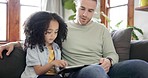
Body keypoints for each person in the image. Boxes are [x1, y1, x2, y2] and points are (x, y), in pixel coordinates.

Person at [0, 0, 148, 78]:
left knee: (140, 66)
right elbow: (42, 39)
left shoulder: (101, 29)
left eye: (90, 11)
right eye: (82, 9)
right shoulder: (62, 28)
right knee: (95, 71)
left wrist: (109, 61)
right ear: (76, 6)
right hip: (78, 72)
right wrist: (14, 43)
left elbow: (112, 54)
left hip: (104, 69)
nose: (85, 14)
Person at [20, 11, 68, 78]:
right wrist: (53, 63)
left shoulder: (56, 47)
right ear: (39, 30)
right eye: (49, 32)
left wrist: (62, 65)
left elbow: (56, 69)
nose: (53, 35)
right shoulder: (33, 48)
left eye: (56, 32)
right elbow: (38, 71)